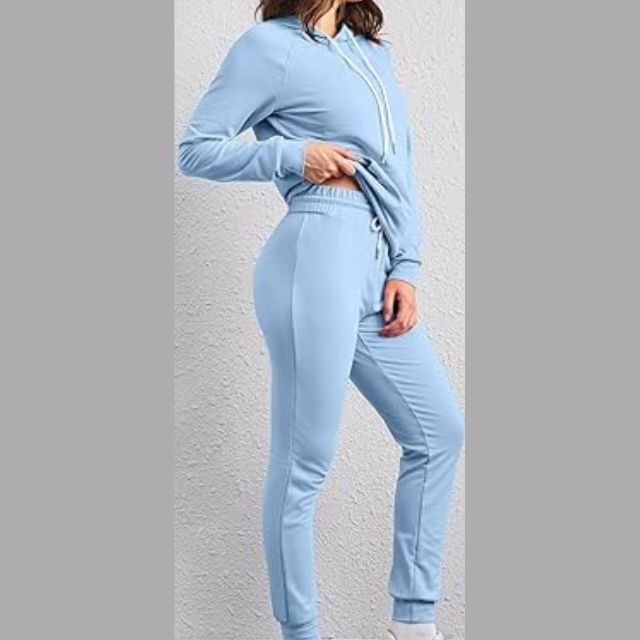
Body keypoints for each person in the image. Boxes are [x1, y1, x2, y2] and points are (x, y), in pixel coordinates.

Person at [178, 2, 464, 639]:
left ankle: (414, 623)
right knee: (305, 460)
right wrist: (291, 154)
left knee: (438, 432)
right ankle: (301, 633)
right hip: (315, 252)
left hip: (376, 262)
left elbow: (399, 163)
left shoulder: (371, 53)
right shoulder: (268, 47)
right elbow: (194, 150)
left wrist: (406, 265)